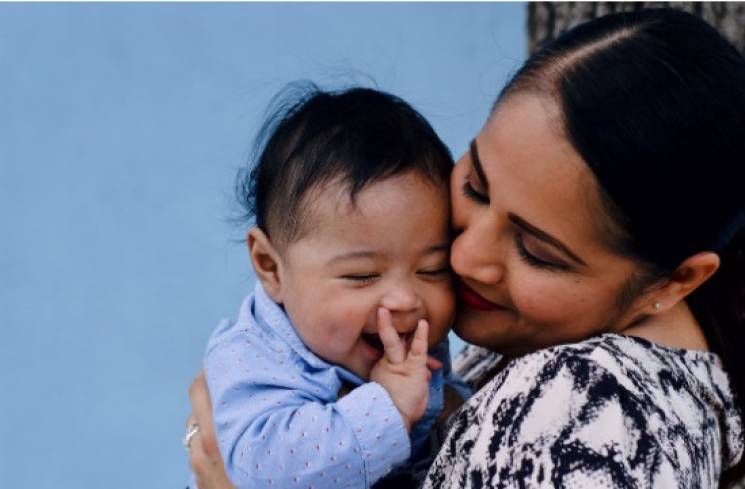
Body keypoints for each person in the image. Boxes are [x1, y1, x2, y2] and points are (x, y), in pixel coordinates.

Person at [186, 8, 745, 488]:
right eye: (474, 185)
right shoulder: (526, 340)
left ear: (677, 281)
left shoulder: (595, 415)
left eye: (535, 249)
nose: (462, 258)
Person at [186, 86, 471, 489]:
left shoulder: (399, 339)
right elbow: (265, 473)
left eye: (432, 269)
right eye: (362, 275)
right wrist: (387, 406)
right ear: (270, 267)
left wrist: (452, 410)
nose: (407, 300)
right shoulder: (252, 358)